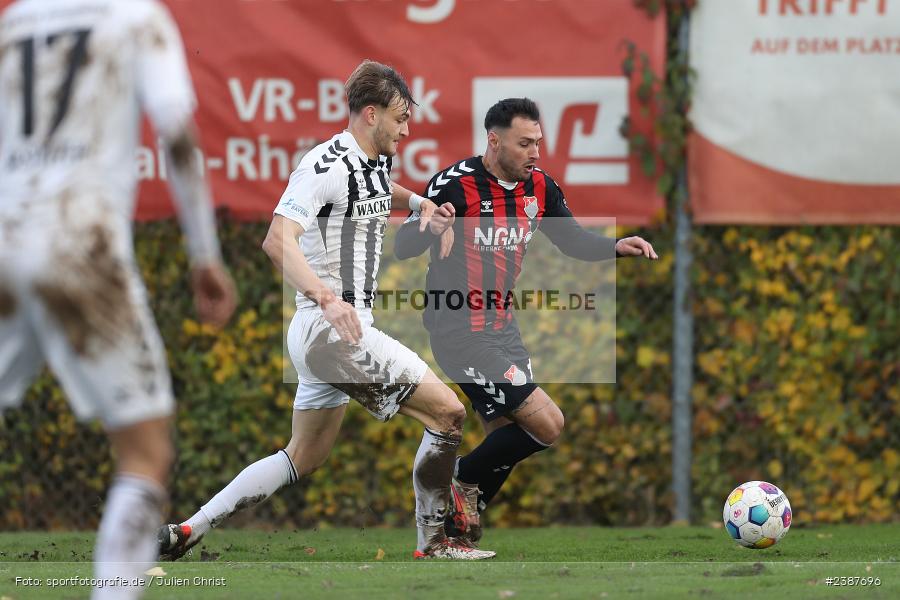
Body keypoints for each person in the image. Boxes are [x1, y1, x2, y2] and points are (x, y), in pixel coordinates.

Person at [158, 60, 495, 561]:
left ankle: (189, 529)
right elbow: (277, 240)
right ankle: (436, 542)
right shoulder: (326, 165)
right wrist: (327, 298)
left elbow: (379, 192)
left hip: (326, 338)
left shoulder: (372, 161)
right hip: (332, 331)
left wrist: (420, 203)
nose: (407, 130)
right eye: (401, 119)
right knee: (447, 413)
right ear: (370, 114)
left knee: (304, 456)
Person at [0, 1, 237, 598]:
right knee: (145, 452)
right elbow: (178, 135)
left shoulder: (17, 20)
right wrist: (203, 256)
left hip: (4, 242)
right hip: (81, 247)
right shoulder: (135, 16)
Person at [394, 97, 658, 545]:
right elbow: (402, 246)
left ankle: (454, 537)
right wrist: (429, 226)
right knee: (547, 424)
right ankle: (456, 478)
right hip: (459, 329)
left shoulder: (540, 187)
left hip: (504, 329)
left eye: (538, 142)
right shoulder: (454, 185)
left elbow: (570, 239)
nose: (535, 152)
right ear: (494, 142)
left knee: (506, 437)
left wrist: (614, 246)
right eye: (524, 143)